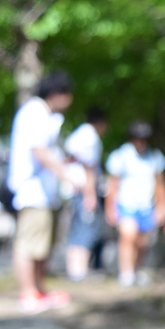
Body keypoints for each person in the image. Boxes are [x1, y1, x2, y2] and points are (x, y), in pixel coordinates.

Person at [7, 71, 74, 313]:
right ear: (57, 94)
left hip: (43, 193)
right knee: (28, 244)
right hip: (32, 191)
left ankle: (38, 289)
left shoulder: (42, 114)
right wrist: (65, 175)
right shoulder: (35, 112)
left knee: (42, 245)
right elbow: (40, 151)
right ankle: (28, 293)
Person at [105, 121, 165, 287]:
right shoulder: (121, 156)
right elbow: (112, 184)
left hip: (146, 205)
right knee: (128, 235)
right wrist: (110, 208)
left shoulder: (154, 157)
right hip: (126, 204)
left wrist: (162, 206)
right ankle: (126, 274)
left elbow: (160, 183)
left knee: (143, 242)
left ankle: (136, 270)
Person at [63, 107, 108, 281]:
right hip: (83, 190)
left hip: (74, 189)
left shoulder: (78, 135)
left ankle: (75, 269)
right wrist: (90, 195)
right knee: (86, 228)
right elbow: (89, 166)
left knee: (77, 228)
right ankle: (78, 270)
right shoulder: (90, 137)